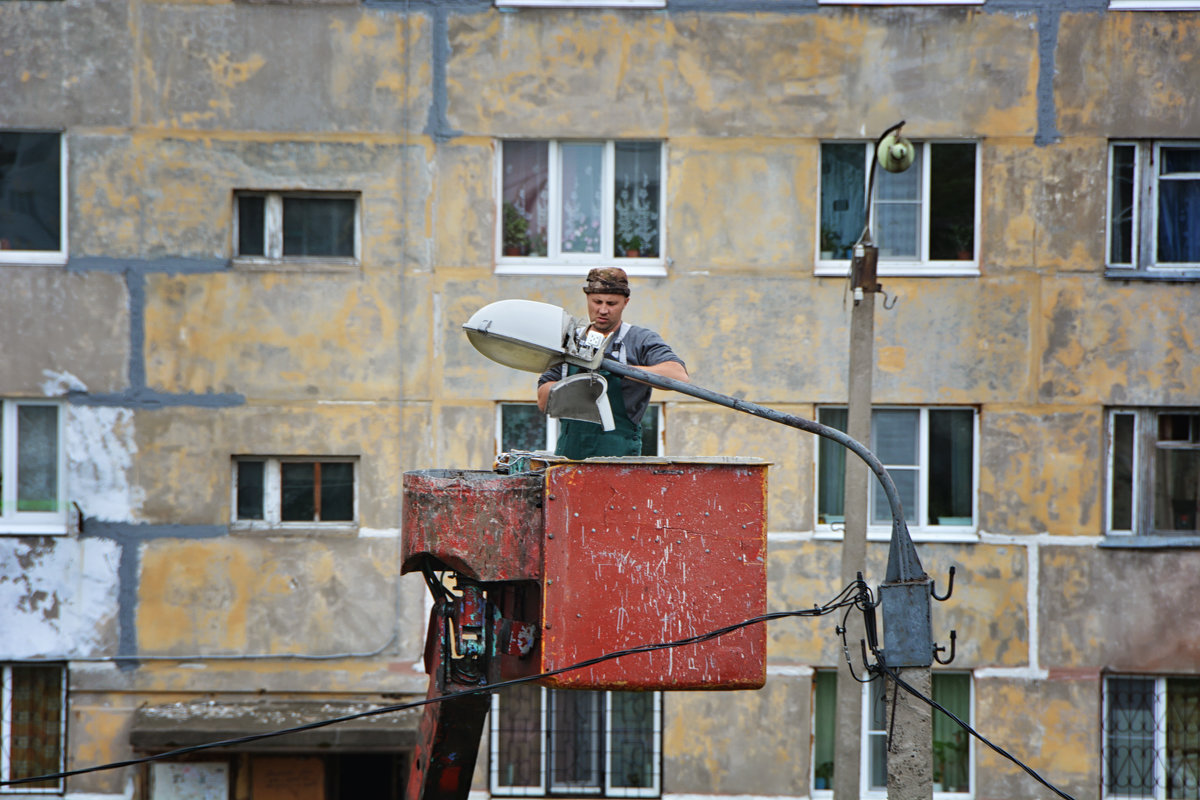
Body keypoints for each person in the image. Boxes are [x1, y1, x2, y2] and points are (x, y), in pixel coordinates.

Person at [537, 267, 689, 459]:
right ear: (587, 299)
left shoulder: (640, 340)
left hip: (620, 461)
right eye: (597, 302)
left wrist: (618, 369)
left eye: (611, 303)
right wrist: (576, 388)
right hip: (569, 460)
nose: (603, 310)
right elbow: (543, 400)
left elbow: (678, 376)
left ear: (626, 303)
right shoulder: (569, 342)